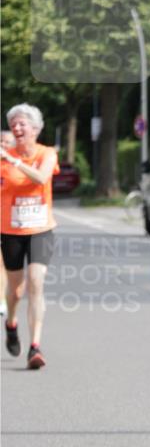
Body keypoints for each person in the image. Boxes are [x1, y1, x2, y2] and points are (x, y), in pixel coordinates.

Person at [0, 104, 60, 369]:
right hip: (11, 231)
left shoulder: (46, 154)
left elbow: (41, 178)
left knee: (36, 281)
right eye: (13, 124)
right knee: (16, 289)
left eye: (22, 123)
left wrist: (14, 161)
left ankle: (35, 347)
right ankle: (11, 324)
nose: (17, 127)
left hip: (41, 230)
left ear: (36, 129)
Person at [0, 131, 16, 318]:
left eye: (8, 142)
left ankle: (3, 298)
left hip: (11, 221)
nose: (4, 144)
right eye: (1, 141)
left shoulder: (19, 165)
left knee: (3, 264)